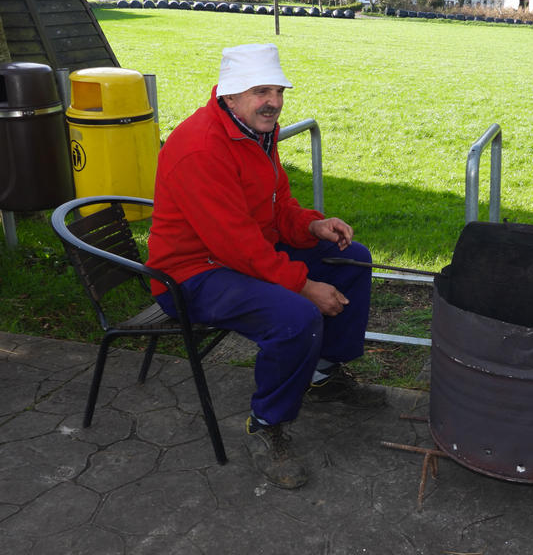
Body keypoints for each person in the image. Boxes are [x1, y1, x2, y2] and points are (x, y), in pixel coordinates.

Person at [147, 43, 384, 489]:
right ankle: (267, 425)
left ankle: (323, 375)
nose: (273, 102)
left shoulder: (256, 132)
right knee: (296, 316)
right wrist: (304, 285)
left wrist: (313, 227)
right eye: (261, 91)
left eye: (277, 90)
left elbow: (278, 210)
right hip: (192, 275)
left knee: (351, 257)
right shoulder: (201, 148)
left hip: (240, 254)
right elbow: (237, 246)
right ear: (231, 96)